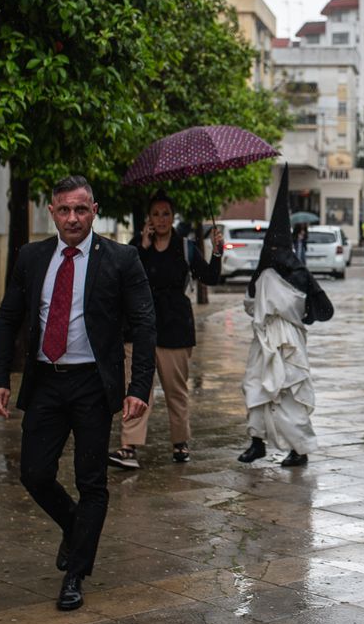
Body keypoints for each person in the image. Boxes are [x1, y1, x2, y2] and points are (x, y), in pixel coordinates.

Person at [0, 176, 155, 612]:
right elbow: (7, 318)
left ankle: (75, 575)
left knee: (91, 481)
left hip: (92, 385)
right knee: (34, 473)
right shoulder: (32, 257)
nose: (73, 218)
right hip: (46, 380)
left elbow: (144, 324)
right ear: (52, 213)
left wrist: (139, 387)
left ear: (94, 210)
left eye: (81, 209)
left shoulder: (121, 259)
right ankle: (76, 526)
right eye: (64, 210)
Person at [110, 193, 224, 469]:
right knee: (136, 388)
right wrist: (143, 247)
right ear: (148, 218)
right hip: (138, 328)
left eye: (166, 214)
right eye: (156, 214)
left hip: (174, 328)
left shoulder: (185, 247)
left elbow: (210, 277)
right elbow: (123, 281)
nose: (161, 219)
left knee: (176, 389)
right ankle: (128, 447)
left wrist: (217, 251)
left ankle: (180, 441)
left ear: (173, 217)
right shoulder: (136, 247)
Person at [237, 178, 335, 468]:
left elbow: (320, 308)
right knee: (255, 386)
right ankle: (257, 441)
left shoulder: (290, 273)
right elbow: (252, 304)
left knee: (289, 392)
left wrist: (297, 313)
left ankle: (299, 449)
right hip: (265, 338)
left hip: (287, 338)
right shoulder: (270, 273)